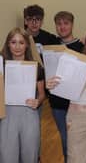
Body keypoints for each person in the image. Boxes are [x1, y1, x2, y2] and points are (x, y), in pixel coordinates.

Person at [46, 26, 86, 163]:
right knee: (76, 159)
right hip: (75, 117)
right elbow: (59, 81)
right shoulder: (75, 61)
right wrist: (51, 84)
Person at [0, 27, 45, 163]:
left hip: (29, 115)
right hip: (7, 116)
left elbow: (42, 94)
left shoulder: (36, 67)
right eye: (13, 42)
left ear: (27, 44)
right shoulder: (1, 66)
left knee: (30, 155)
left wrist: (38, 101)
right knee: (7, 156)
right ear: (8, 44)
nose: (17, 46)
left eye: (21, 42)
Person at [47, 11, 84, 163]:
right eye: (59, 24)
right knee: (65, 139)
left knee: (78, 140)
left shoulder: (82, 47)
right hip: (57, 104)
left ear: (72, 24)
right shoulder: (51, 46)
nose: (62, 27)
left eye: (66, 23)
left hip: (77, 104)